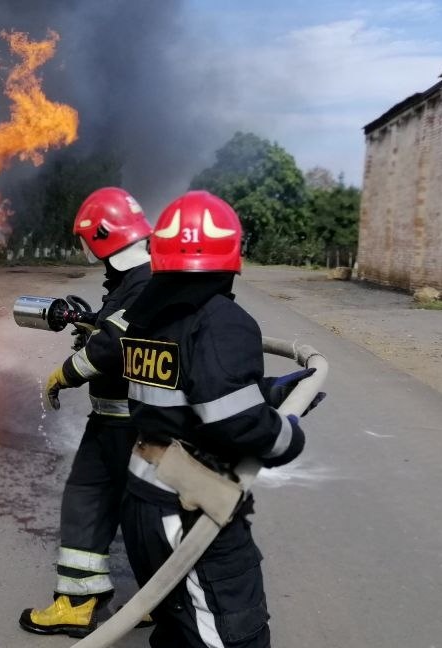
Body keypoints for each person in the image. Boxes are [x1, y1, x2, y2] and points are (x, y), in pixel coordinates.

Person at [118, 191, 313, 647]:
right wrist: (289, 436)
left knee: (178, 632)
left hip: (144, 501)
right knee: (231, 636)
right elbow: (237, 424)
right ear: (231, 255)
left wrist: (266, 391)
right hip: (190, 508)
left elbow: (187, 393)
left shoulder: (146, 316)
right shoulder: (222, 320)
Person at [18, 188, 154, 637]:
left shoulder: (142, 282)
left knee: (111, 506)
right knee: (111, 505)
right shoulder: (137, 279)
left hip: (127, 423)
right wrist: (90, 322)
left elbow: (113, 346)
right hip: (124, 422)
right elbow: (116, 330)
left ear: (102, 237)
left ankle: (97, 603)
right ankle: (97, 600)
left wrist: (64, 374)